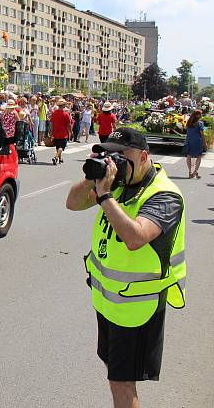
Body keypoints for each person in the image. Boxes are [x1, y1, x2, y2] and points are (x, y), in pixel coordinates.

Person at [65, 127, 186, 408]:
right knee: (115, 374)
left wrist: (105, 196)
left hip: (138, 308)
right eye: (112, 154)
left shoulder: (165, 195)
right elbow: (72, 203)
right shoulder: (119, 182)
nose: (116, 161)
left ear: (143, 156)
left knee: (122, 381)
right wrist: (91, 179)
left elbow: (135, 238)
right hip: (111, 302)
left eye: (123, 155)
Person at [183, 110, 205, 179]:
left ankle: (190, 172)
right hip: (197, 141)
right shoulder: (200, 123)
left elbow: (186, 130)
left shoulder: (189, 122)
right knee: (199, 156)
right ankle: (195, 171)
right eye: (200, 114)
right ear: (197, 115)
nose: (201, 115)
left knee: (189, 156)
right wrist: (205, 142)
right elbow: (202, 134)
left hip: (189, 140)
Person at [50, 98, 71, 165]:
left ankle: (60, 159)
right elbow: (69, 124)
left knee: (58, 147)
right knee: (61, 147)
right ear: (64, 105)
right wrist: (70, 131)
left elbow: (52, 124)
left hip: (56, 132)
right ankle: (56, 157)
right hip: (63, 133)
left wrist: (51, 132)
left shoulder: (54, 113)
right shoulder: (66, 114)